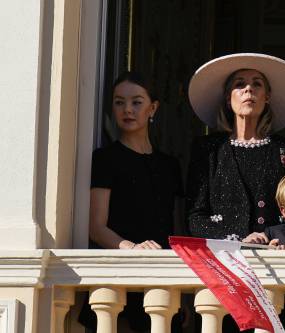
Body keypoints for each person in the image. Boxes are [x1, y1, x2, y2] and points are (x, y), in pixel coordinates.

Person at [186, 53, 285, 245]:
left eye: (257, 84)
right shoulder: (208, 150)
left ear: (267, 96)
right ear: (229, 98)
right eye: (239, 84)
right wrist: (241, 237)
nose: (248, 89)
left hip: (279, 255)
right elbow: (195, 218)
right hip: (225, 260)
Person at [80, 71, 184, 332]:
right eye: (119, 102)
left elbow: (176, 229)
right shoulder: (105, 159)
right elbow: (96, 227)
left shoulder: (169, 165)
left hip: (162, 278)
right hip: (118, 278)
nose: (127, 109)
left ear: (153, 108)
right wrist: (132, 249)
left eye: (136, 102)